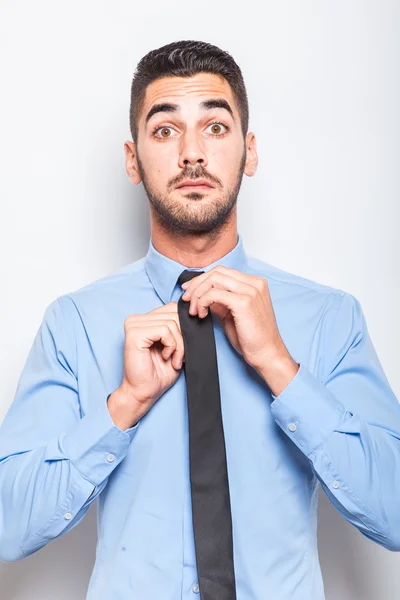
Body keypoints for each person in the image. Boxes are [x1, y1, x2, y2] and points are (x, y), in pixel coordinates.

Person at [0, 39, 399, 600]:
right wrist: (125, 406)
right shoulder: (76, 324)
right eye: (165, 130)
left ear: (249, 152)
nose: (192, 153)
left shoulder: (329, 318)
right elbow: (8, 526)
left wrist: (280, 367)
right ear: (133, 160)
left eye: (215, 127)